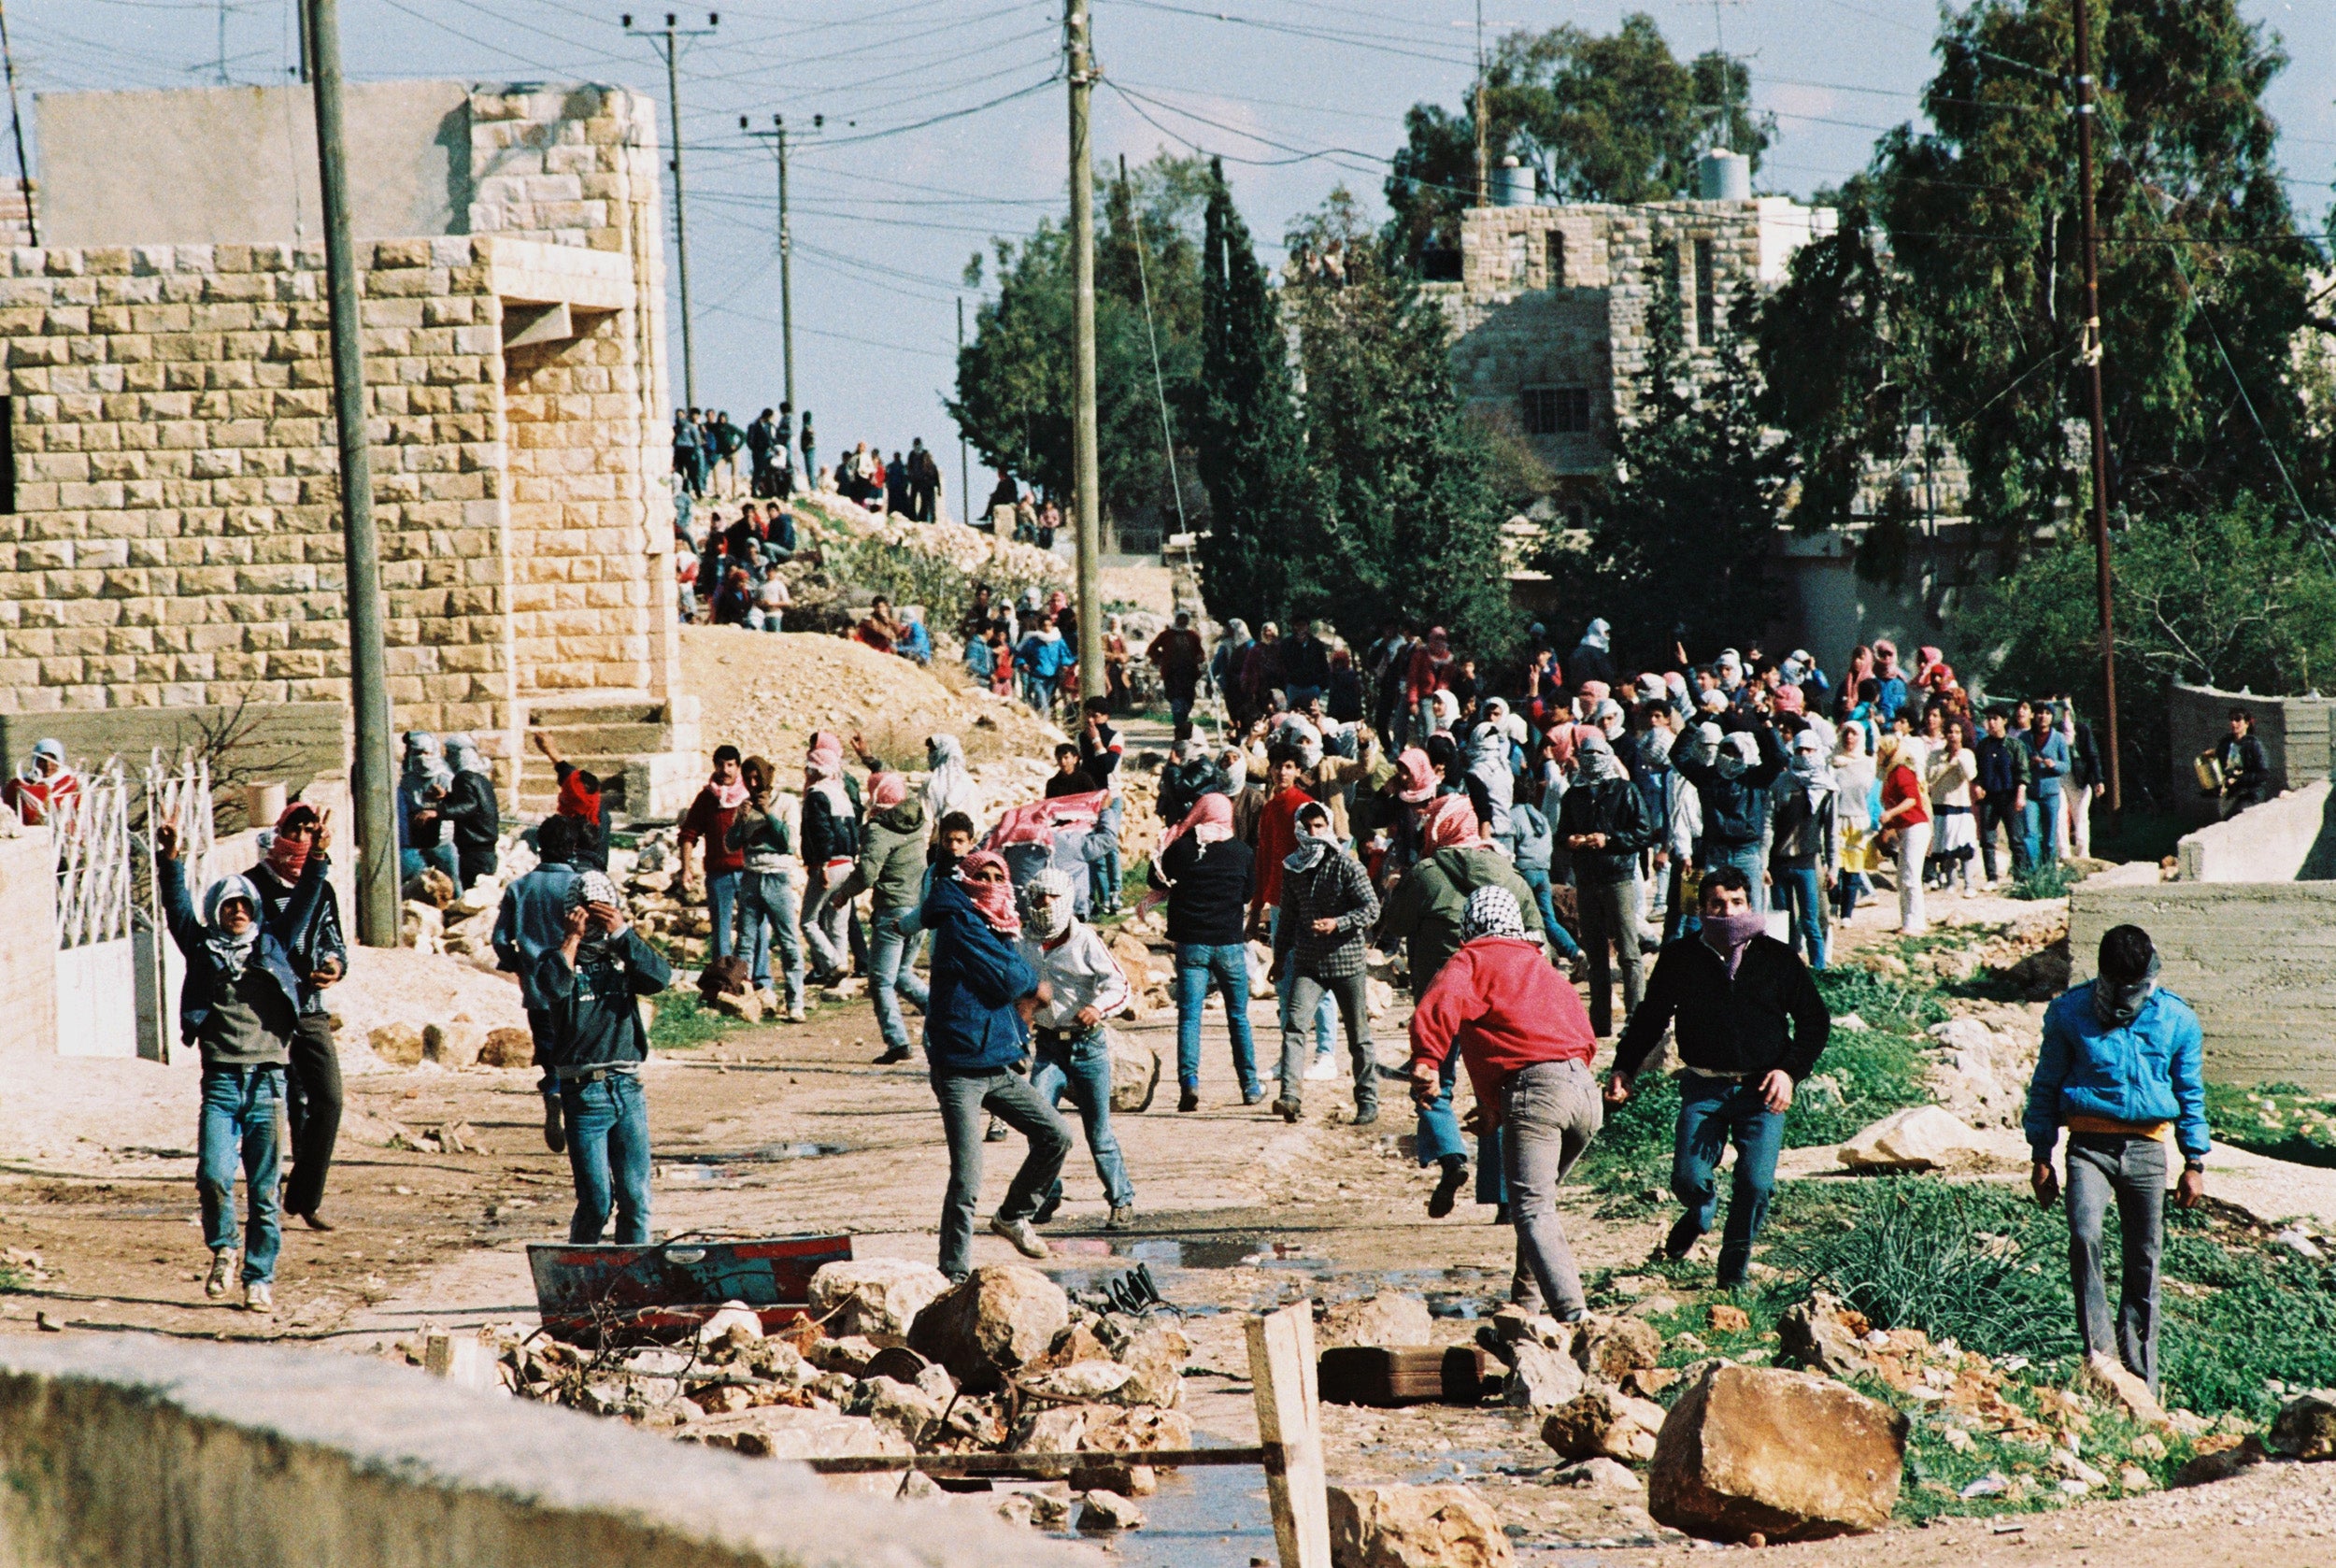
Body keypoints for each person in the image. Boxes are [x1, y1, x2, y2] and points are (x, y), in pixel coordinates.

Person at [1608, 866, 1830, 1286]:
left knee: (1755, 1184)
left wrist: (1789, 1072)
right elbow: (1649, 1020)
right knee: (1689, 1177)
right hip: (1703, 1086)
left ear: (1749, 904)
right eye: (1717, 904)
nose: (1727, 912)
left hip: (1763, 1089)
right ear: (1702, 909)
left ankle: (1733, 1274)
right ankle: (1700, 1210)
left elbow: (1815, 1022)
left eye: (1736, 903)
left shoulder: (1777, 957)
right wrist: (1624, 1067)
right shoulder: (1680, 958)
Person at [155, 808, 329, 1313]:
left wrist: (317, 855)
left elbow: (304, 902)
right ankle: (225, 1248)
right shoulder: (203, 947)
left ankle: (259, 1277)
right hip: (223, 1082)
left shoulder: (273, 944)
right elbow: (176, 908)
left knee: (264, 1188)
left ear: (255, 911)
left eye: (245, 905)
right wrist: (170, 860)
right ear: (217, 909)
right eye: (229, 905)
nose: (237, 912)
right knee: (212, 1174)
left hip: (269, 1083)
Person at [2025, 924, 2207, 1395]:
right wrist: (2040, 1154)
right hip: (2088, 1147)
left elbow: (2190, 1093)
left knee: (2144, 1258)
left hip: (2148, 1151)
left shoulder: (2176, 1019)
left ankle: (2142, 1377)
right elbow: (2045, 1085)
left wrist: (2194, 1161)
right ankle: (2101, 1361)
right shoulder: (2069, 1013)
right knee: (2085, 1235)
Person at [1408, 886, 1602, 1319]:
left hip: (1537, 1095)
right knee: (1538, 1208)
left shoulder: (1472, 959)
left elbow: (1437, 1006)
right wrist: (1495, 1105)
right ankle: (1524, 1311)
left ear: (1469, 927)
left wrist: (1426, 1060)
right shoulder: (1541, 966)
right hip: (1584, 1093)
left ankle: (1575, 1318)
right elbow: (1581, 1038)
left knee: (1531, 1210)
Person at [1379, 794, 1546, 1213]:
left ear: (1438, 828)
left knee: (1434, 1079)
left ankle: (1451, 1156)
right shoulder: (1509, 874)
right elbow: (1537, 934)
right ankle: (1506, 1197)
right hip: (1498, 999)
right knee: (1499, 1088)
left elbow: (1392, 927)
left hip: (1441, 997)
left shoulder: (1426, 874)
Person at [921, 849, 1073, 1276]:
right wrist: (1030, 980)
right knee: (967, 1180)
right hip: (959, 1068)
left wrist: (1024, 979)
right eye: (980, 876)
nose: (989, 883)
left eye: (996, 875)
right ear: (967, 881)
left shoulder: (998, 923)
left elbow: (1012, 975)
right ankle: (954, 1273)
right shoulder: (959, 924)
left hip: (997, 1063)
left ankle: (1013, 1215)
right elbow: (1010, 979)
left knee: (1056, 1135)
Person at [536, 870, 672, 1245]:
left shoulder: (622, 956)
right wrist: (572, 938)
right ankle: (581, 1272)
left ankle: (634, 1276)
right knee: (596, 1200)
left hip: (626, 1087)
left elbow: (660, 978)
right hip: (584, 1093)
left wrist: (622, 933)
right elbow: (552, 987)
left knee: (636, 1198)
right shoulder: (556, 958)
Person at [1015, 869, 1137, 1230]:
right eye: (1039, 897)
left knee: (1098, 1132)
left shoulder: (1084, 939)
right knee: (1040, 1127)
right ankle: (1046, 1197)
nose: (1046, 905)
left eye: (1053, 897)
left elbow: (1118, 983)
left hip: (1087, 1046)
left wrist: (1097, 1007)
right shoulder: (1025, 942)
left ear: (1066, 898)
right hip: (1049, 1047)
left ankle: (1121, 1200)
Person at [246, 804, 347, 1231]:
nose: (302, 837)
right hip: (265, 1009)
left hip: (308, 1007)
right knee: (268, 1101)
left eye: (310, 829)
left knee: (328, 1098)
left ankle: (305, 1193)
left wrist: (333, 965)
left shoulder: (322, 888)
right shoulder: (253, 886)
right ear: (280, 831)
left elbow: (333, 940)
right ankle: (262, 1195)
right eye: (295, 829)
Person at [1270, 802, 1382, 1126]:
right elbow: (1288, 917)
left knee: (1358, 1035)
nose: (1314, 834)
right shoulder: (1293, 868)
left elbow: (1370, 909)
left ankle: (1367, 1099)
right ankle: (1290, 1096)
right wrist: (1278, 958)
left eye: (1320, 826)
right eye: (1308, 827)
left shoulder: (1347, 866)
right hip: (1308, 963)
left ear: (1329, 827)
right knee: (1294, 1026)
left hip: (1347, 963)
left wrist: (1340, 923)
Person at [1151, 793, 1263, 1111]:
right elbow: (1247, 892)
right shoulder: (1242, 852)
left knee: (1189, 1017)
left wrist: (1175, 836)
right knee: (1238, 1017)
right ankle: (1250, 1086)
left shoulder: (1184, 849)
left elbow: (1153, 876)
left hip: (1191, 943)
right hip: (1229, 943)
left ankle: (1189, 1083)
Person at [493, 812, 583, 1157]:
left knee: (548, 1049)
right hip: (575, 989)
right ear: (573, 847)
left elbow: (500, 938)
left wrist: (517, 964)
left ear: (539, 848)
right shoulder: (580, 885)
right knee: (576, 1051)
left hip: (537, 988)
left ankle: (552, 1089)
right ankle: (573, 1109)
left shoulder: (520, 888)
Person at [1556, 732, 1656, 1037]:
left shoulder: (1625, 790)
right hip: (1586, 879)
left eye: (1598, 754)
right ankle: (1599, 1023)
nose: (1592, 761)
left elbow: (1643, 832)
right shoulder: (1574, 795)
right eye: (1587, 755)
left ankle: (1636, 1018)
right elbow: (1560, 835)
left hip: (1618, 877)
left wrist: (1609, 840)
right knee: (1596, 954)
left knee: (1628, 951)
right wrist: (1570, 841)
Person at [858, 772, 932, 1063]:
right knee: (901, 973)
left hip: (892, 913)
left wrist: (841, 895)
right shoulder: (915, 823)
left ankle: (898, 1041)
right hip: (919, 910)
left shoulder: (879, 829)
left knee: (881, 980)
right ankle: (941, 1013)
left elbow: (866, 874)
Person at [726, 756, 807, 1023]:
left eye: (756, 777)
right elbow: (731, 844)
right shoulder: (745, 805)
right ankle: (739, 997)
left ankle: (795, 1002)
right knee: (745, 941)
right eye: (747, 778)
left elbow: (789, 843)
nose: (753, 783)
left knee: (788, 941)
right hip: (751, 877)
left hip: (777, 877)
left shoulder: (786, 802)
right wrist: (739, 821)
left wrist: (769, 815)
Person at [1674, 724, 1787, 912]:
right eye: (1725, 751)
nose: (1730, 757)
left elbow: (1780, 758)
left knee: (1751, 910)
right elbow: (1679, 756)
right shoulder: (1708, 777)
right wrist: (1695, 723)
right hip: (1716, 851)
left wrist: (1767, 727)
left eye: (1735, 753)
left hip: (1747, 852)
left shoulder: (1755, 778)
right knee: (1713, 908)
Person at [1769, 730, 1837, 970]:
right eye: (1799, 750)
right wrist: (1764, 862)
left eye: (1809, 750)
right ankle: (1786, 969)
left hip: (1807, 862)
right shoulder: (1780, 784)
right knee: (1783, 920)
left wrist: (1833, 868)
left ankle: (1819, 969)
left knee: (1811, 921)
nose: (1804, 755)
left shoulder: (1827, 787)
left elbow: (1830, 831)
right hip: (1779, 862)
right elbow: (1769, 823)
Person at [800, 733, 863, 986]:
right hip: (847, 864)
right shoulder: (841, 794)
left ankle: (833, 963)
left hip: (829, 865)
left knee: (808, 921)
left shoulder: (817, 794)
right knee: (838, 923)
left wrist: (822, 865)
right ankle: (840, 980)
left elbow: (822, 832)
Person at [677, 747, 748, 963]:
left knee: (752, 930)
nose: (725, 770)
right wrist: (686, 868)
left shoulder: (749, 796)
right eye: (721, 764)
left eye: (730, 765)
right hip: (719, 875)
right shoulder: (707, 798)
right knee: (720, 933)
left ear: (738, 767)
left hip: (748, 873)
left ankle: (756, 978)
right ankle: (723, 980)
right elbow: (688, 834)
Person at [1875, 734, 1931, 935]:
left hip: (1914, 827)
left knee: (1911, 876)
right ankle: (1908, 919)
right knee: (1903, 878)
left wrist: (1891, 813)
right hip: (1905, 828)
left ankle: (1916, 923)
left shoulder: (1902, 772)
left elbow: (1911, 800)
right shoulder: (1891, 773)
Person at [532, 731, 610, 872]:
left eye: (565, 792)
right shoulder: (587, 799)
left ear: (572, 800)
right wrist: (550, 750)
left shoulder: (588, 829)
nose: (561, 795)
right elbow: (568, 773)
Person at [1078, 697, 1126, 915]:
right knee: (1094, 849)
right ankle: (1103, 896)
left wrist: (1097, 740)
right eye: (1088, 714)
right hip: (1091, 798)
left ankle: (1116, 892)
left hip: (1112, 796)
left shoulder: (1115, 737)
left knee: (1111, 846)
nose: (1091, 719)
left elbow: (1108, 765)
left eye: (1096, 715)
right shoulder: (1081, 738)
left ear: (1105, 716)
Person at [1973, 707, 2030, 887]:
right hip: (1989, 797)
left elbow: (2023, 772)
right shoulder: (1983, 746)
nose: (1991, 723)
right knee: (1988, 839)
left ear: (2004, 720)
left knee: (2016, 839)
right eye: (1988, 719)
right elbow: (1978, 772)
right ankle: (1992, 877)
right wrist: (1978, 786)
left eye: (1995, 718)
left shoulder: (2015, 745)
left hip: (2010, 796)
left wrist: (2020, 795)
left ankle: (2020, 877)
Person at [439, 734, 502, 891]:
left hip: (474, 851)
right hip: (486, 851)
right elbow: (474, 804)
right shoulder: (481, 778)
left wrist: (439, 812)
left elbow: (469, 806)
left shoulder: (463, 778)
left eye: (450, 753)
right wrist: (447, 797)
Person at [1926, 723, 1979, 896]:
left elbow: (1970, 775)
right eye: (1950, 731)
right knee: (1945, 846)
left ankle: (1969, 884)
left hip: (1961, 806)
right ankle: (1951, 881)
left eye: (1957, 732)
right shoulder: (1936, 755)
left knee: (1964, 846)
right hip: (1941, 805)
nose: (1953, 736)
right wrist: (1947, 762)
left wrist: (1959, 758)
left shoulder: (1967, 754)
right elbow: (1930, 777)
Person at [2016, 701, 2071, 866]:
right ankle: (2033, 870)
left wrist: (2054, 765)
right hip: (2031, 793)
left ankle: (2048, 872)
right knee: (2030, 833)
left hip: (2051, 793)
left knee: (2050, 838)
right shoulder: (2024, 737)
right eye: (2039, 713)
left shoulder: (2058, 738)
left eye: (2047, 713)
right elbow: (2018, 763)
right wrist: (2029, 763)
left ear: (2052, 717)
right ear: (2033, 715)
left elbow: (2066, 765)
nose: (2043, 717)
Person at [1146, 611, 1207, 737]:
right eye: (1180, 619)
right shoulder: (1167, 635)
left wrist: (1199, 658)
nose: (1183, 622)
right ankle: (1179, 726)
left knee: (1188, 699)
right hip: (1172, 673)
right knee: (1176, 698)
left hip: (1189, 673)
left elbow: (1200, 652)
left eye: (1185, 619)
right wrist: (1161, 659)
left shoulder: (1192, 636)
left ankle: (1183, 722)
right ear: (1176, 620)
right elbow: (1152, 649)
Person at [3, 737, 80, 827]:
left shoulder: (69, 783)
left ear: (60, 761)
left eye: (53, 760)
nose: (48, 765)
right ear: (35, 761)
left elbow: (80, 815)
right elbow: (6, 812)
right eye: (42, 760)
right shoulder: (19, 783)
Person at [2214, 706, 2271, 820]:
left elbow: (2264, 774)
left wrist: (2239, 778)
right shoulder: (2225, 743)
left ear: (2247, 723)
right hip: (2230, 792)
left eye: (2238, 719)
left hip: (2249, 794)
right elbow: (2220, 766)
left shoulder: (2254, 745)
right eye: (2231, 719)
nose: (2233, 723)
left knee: (2237, 816)